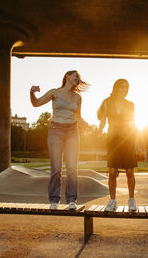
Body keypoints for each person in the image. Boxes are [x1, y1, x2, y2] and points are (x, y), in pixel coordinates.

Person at [30, 70, 88, 210]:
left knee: (72, 168)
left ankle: (72, 199)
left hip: (73, 131)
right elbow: (36, 103)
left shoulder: (78, 98)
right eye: (76, 76)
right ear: (67, 77)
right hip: (56, 131)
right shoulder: (54, 93)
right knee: (56, 168)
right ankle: (54, 200)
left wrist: (85, 123)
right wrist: (32, 93)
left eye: (79, 78)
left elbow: (78, 116)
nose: (78, 79)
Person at [97, 79, 138, 212]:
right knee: (112, 172)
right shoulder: (108, 102)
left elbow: (133, 122)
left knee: (129, 171)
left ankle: (131, 200)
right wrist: (99, 130)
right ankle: (112, 201)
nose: (125, 89)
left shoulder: (130, 104)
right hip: (113, 141)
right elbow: (102, 119)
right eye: (122, 87)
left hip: (128, 140)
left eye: (127, 87)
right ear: (116, 88)